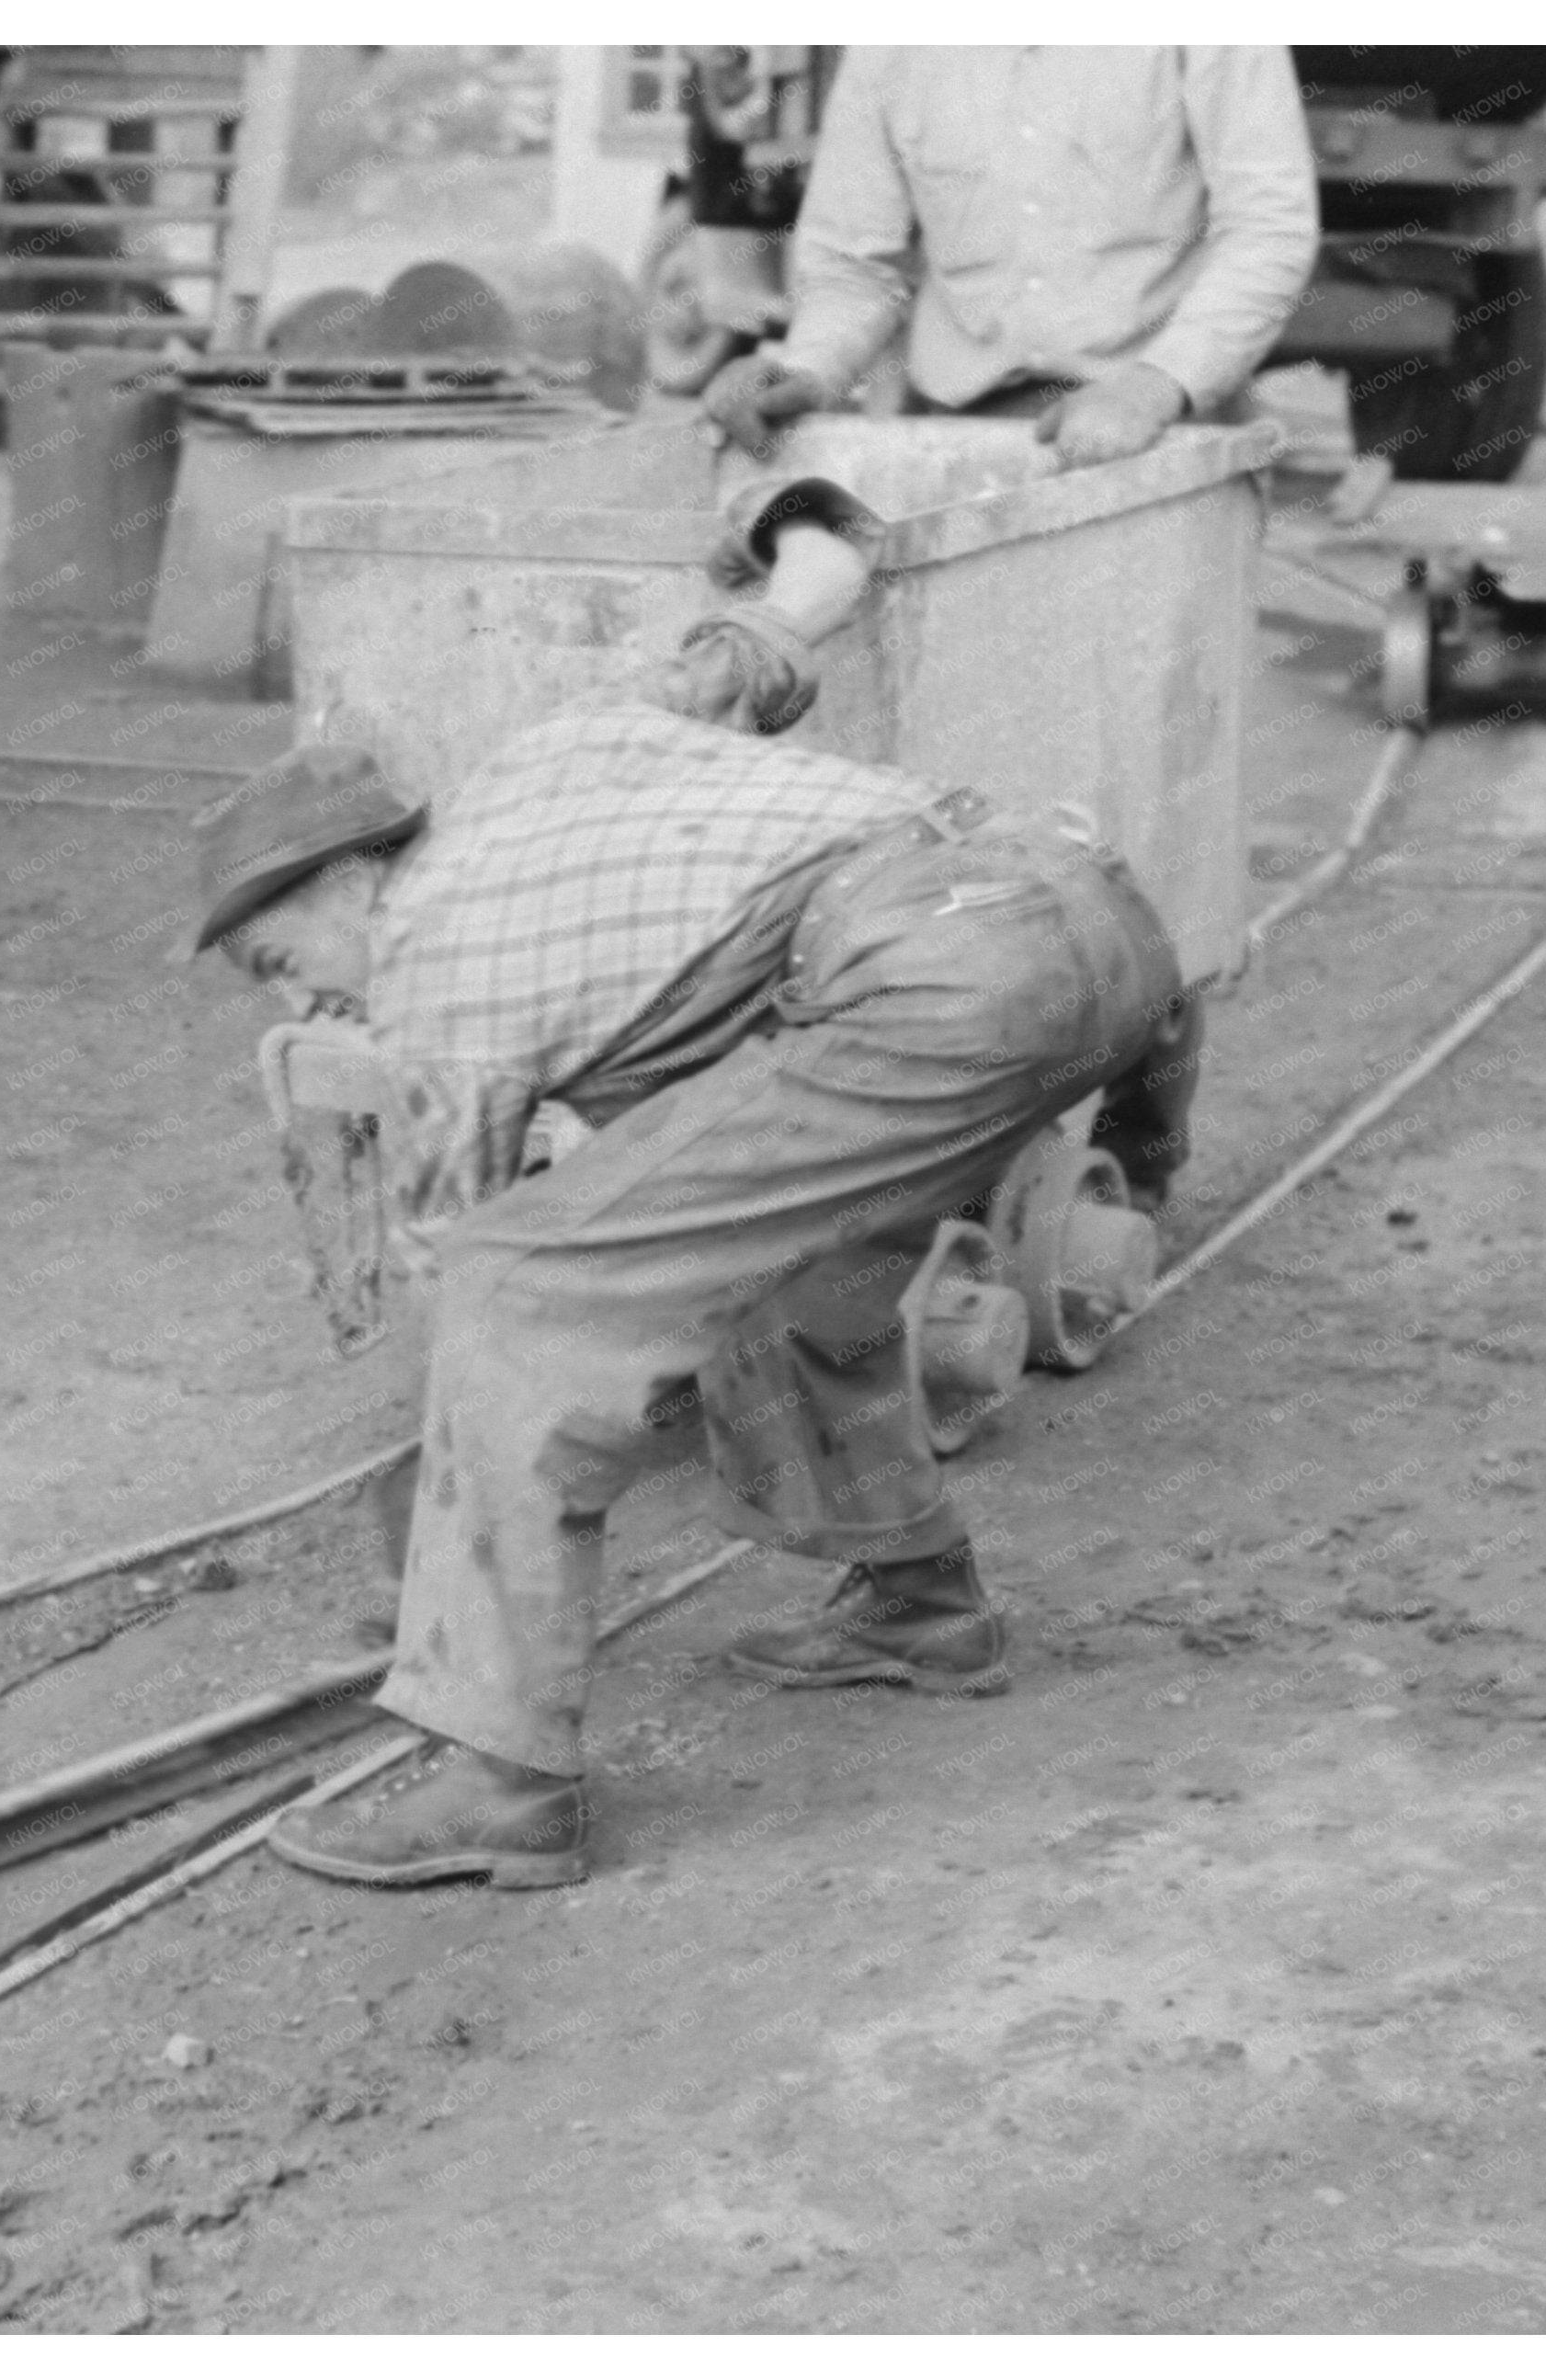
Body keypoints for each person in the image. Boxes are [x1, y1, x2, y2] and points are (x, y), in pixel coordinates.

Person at [191, 500, 1201, 1890]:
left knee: (516, 1289)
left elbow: (467, 1265)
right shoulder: (552, 754)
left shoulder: (434, 967)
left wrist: (436, 1551)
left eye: (276, 957)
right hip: (1092, 918)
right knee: (781, 1262)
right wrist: (805, 567)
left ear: (354, 875)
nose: (300, 992)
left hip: (932, 979)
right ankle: (917, 1605)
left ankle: (502, 1781)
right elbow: (745, 658)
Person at [702, 46, 1317, 468]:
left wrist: (1155, 386)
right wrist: (808, 369)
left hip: (1166, 442)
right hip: (958, 437)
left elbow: (1267, 226)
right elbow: (854, 264)